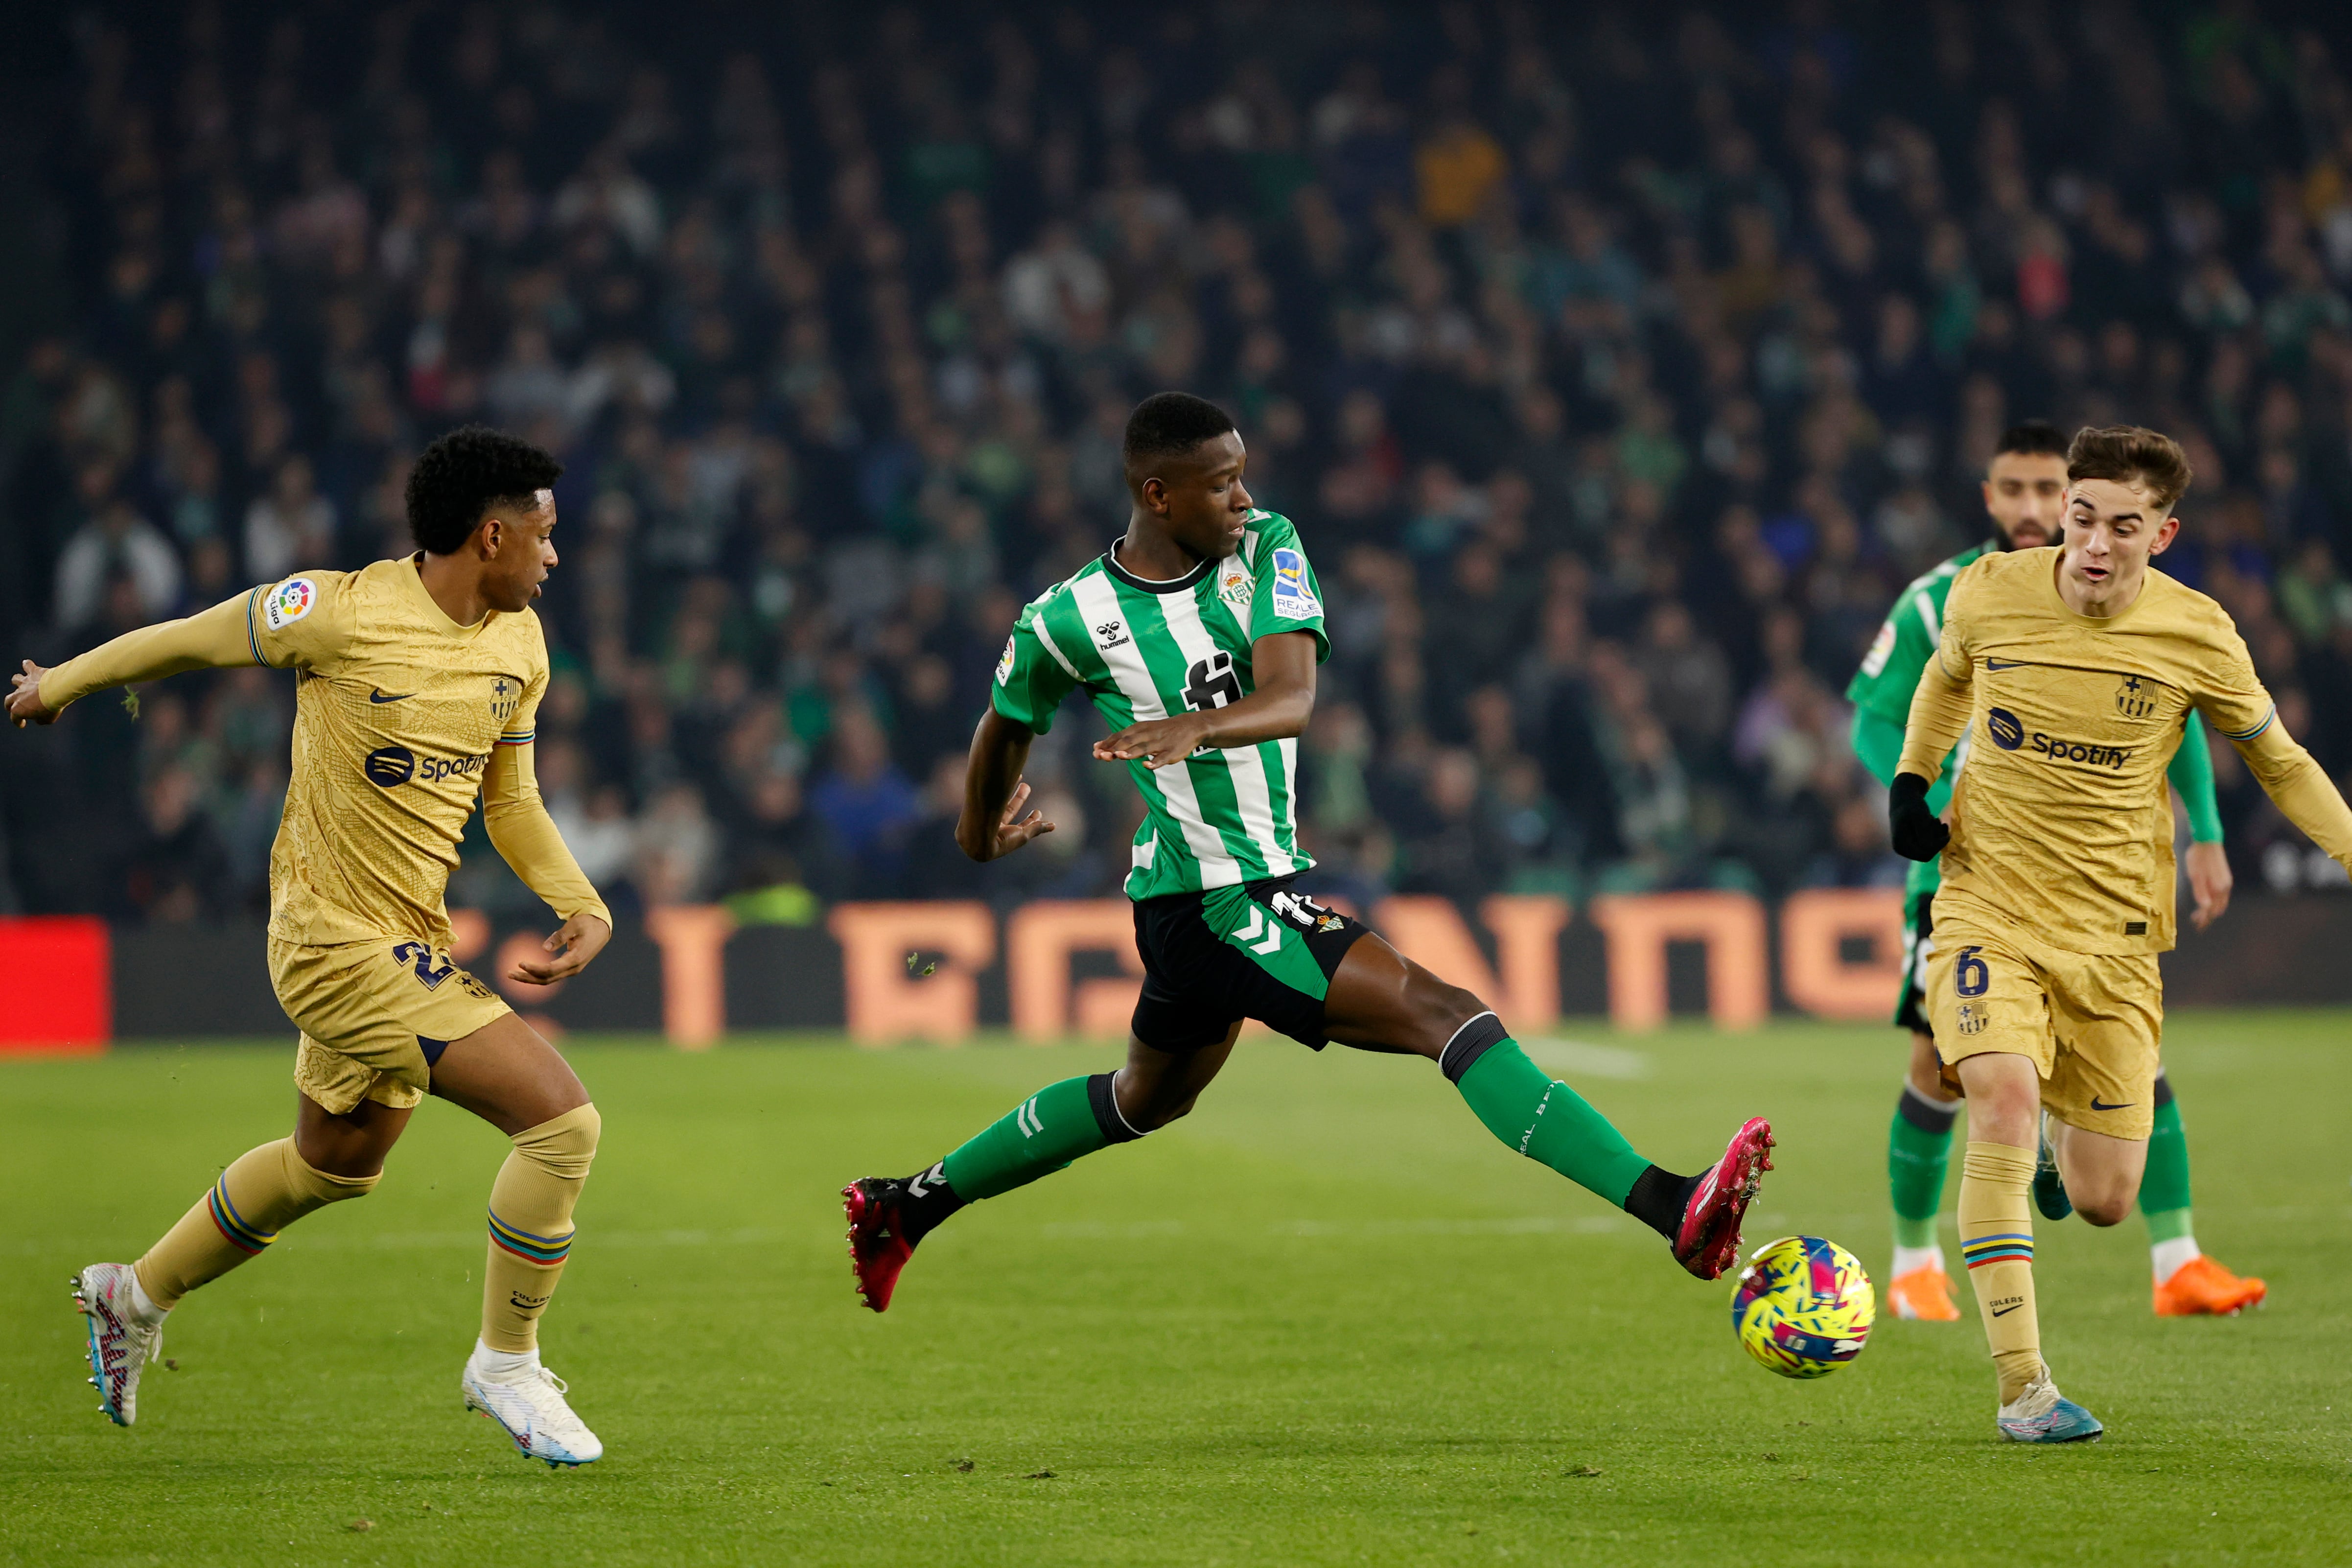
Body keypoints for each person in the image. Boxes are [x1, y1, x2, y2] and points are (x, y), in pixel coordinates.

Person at [841, 391, 1774, 1314]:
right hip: (1213, 900)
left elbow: (1292, 696)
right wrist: (976, 837)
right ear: (1158, 495)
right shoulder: (1066, 619)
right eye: (1221, 484)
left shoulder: (1266, 545)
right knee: (1443, 1013)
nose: (1243, 497)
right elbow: (1004, 723)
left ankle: (904, 1208)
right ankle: (1672, 1207)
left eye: (1243, 475)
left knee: (1142, 1099)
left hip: (1202, 898)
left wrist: (1193, 730)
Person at [8, 426, 613, 1466]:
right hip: (331, 941)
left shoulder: (521, 645)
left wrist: (581, 902)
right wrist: (59, 683)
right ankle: (506, 1363)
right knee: (562, 1126)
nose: (556, 557)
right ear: (492, 533)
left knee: (335, 1164)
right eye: (546, 536)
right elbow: (188, 639)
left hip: (410, 932)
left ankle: (132, 1294)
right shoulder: (337, 611)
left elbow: (509, 799)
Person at [1888, 425, 2352, 1443]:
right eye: (2082, 516)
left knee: (2104, 1198)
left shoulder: (2199, 634)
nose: (2094, 543)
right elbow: (1946, 678)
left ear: (2165, 533)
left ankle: (2065, 1155)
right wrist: (1912, 784)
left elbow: (2279, 760)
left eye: (2122, 526)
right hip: (1986, 904)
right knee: (1998, 1098)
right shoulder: (1990, 592)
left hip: (2115, 935)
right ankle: (2024, 1389)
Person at [1847, 421, 2264, 1322]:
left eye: (2051, 492)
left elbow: (2184, 714)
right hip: (1972, 873)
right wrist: (1929, 786)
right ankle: (1914, 1261)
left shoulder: (2134, 599)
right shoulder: (1945, 599)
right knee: (1943, 1067)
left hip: (2100, 882)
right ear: (1991, 500)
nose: (2037, 509)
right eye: (2018, 491)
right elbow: (1875, 720)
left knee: (2134, 1062)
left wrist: (2205, 830)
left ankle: (2176, 1258)